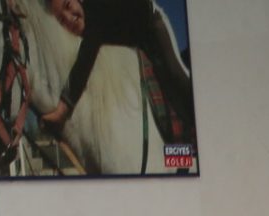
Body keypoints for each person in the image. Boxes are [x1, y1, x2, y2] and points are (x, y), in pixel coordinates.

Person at [37, 0, 197, 147]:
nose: (69, 18)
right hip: (133, 40)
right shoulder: (86, 30)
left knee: (175, 73)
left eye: (68, 6)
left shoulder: (94, 10)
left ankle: (199, 120)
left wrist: (62, 110)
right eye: (61, 20)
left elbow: (84, 61)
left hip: (151, 22)